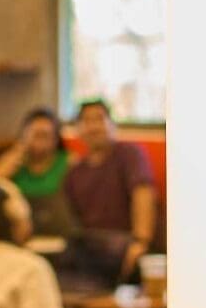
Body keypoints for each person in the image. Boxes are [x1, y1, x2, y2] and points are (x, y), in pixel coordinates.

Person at [62, 99, 160, 288]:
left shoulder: (129, 154)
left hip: (127, 245)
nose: (93, 127)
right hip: (92, 248)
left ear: (112, 125)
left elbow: (143, 193)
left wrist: (140, 242)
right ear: (78, 130)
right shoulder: (75, 172)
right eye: (86, 121)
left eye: (99, 119)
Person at [0, 107, 76, 237]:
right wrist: (14, 157)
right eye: (35, 135)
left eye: (45, 135)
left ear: (55, 139)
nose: (40, 142)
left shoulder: (68, 161)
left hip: (58, 233)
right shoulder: (14, 161)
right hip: (19, 234)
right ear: (24, 136)